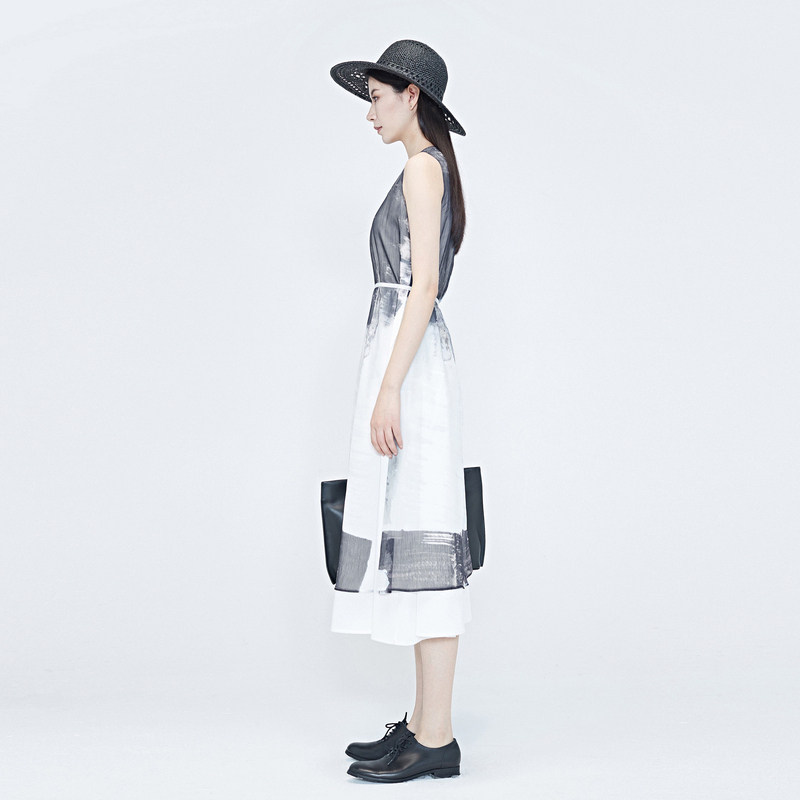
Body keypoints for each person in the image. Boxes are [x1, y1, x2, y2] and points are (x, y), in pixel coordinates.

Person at [328, 40, 471, 783]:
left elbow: (423, 287)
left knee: (426, 546)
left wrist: (389, 388)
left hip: (409, 366)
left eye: (378, 98)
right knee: (414, 546)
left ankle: (436, 738)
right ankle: (422, 725)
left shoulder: (421, 168)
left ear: (412, 97)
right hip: (406, 359)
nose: (370, 113)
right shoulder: (425, 166)